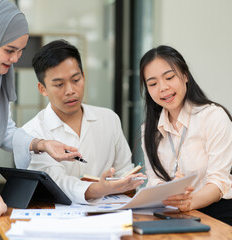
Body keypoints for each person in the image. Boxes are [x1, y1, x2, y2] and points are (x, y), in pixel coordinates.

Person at [0, 1, 81, 239]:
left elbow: (4, 129)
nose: (16, 59)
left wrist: (42, 144)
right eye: (10, 50)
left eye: (21, 50)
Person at [139, 45, 232, 233]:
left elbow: (217, 184)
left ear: (185, 75)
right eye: (153, 83)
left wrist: (188, 201)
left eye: (169, 77)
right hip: (174, 215)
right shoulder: (149, 130)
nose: (163, 88)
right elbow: (155, 180)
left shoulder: (213, 117)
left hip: (219, 218)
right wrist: (168, 193)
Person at [23, 39, 145, 204]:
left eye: (76, 80)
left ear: (84, 76)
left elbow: (125, 172)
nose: (70, 91)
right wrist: (100, 189)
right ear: (42, 89)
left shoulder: (109, 119)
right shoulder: (32, 134)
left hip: (110, 214)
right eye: (59, 84)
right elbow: (58, 183)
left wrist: (128, 182)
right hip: (56, 218)